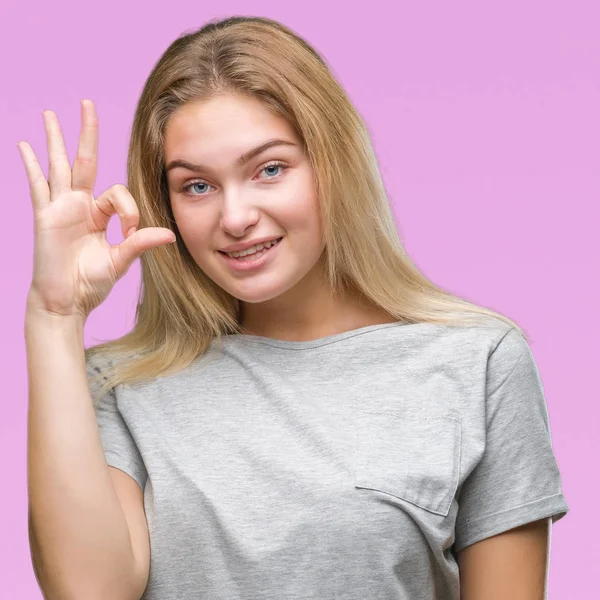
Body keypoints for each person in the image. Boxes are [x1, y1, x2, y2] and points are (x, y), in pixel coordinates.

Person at [22, 15, 569, 600]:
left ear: (333, 162)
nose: (234, 217)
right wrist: (55, 317)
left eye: (270, 169)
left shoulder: (478, 363)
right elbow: (87, 591)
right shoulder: (120, 386)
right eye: (197, 186)